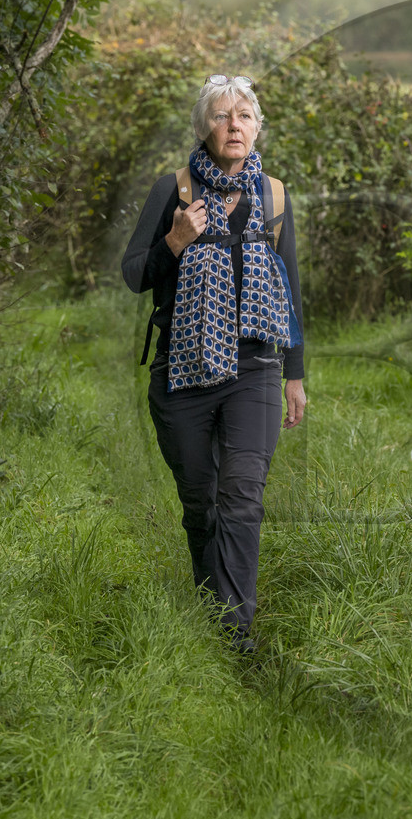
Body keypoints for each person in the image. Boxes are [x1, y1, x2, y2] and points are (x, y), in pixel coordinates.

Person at [121, 74, 306, 653]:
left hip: (254, 368)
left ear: (256, 129)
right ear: (205, 127)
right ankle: (212, 601)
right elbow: (133, 275)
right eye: (223, 116)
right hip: (182, 369)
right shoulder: (172, 191)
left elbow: (291, 289)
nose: (234, 126)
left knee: (243, 494)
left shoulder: (272, 196)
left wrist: (295, 374)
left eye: (245, 117)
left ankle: (234, 632)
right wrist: (175, 241)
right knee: (201, 500)